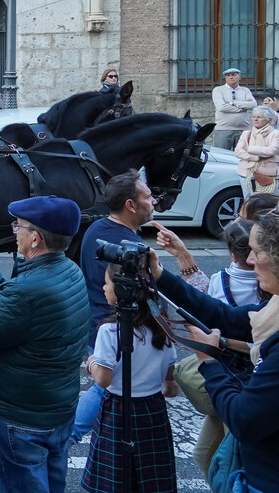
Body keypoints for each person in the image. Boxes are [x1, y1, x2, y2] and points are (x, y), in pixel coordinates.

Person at [0, 195, 88, 493]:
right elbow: (29, 315)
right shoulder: (70, 271)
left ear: (35, 239)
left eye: (18, 226)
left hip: (18, 419)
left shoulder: (26, 292)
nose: (14, 231)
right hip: (56, 409)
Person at [148, 213, 279, 493]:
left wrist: (209, 361)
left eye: (257, 252)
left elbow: (244, 420)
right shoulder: (273, 310)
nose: (251, 261)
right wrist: (159, 275)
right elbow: (224, 316)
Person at [72, 172, 159, 444]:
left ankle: (72, 437)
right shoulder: (129, 248)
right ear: (131, 205)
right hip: (115, 329)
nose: (154, 201)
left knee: (107, 389)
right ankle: (69, 437)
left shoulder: (97, 229)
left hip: (96, 323)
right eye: (147, 196)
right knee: (106, 389)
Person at [80, 265, 179, 493]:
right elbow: (169, 373)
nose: (104, 288)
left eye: (107, 283)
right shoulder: (162, 327)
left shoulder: (110, 330)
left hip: (118, 409)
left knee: (116, 477)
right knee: (151, 477)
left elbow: (103, 380)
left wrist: (92, 362)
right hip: (153, 408)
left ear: (122, 291)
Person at [235, 105, 279, 197]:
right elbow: (238, 151)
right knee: (249, 203)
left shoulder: (275, 134)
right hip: (246, 173)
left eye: (259, 117)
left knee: (268, 204)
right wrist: (256, 157)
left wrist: (249, 149)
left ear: (268, 119)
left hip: (268, 175)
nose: (255, 119)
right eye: (254, 117)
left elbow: (272, 150)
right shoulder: (246, 133)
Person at [213, 67, 257, 150]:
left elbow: (253, 104)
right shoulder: (218, 90)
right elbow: (222, 107)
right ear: (225, 78)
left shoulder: (245, 90)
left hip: (244, 129)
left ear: (239, 77)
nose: (231, 77)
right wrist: (243, 107)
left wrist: (233, 103)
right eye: (228, 75)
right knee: (223, 156)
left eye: (233, 75)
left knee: (243, 155)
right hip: (224, 129)